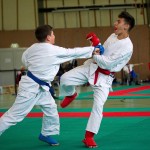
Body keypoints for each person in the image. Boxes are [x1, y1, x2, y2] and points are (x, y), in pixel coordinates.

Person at [0, 25, 98, 146]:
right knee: (14, 115)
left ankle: (46, 133)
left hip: (42, 88)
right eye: (53, 34)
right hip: (30, 88)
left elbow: (24, 60)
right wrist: (93, 49)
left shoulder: (31, 48)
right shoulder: (52, 50)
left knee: (51, 109)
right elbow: (72, 53)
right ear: (48, 37)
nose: (54, 36)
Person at [59, 11, 135, 148]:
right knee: (64, 79)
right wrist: (97, 44)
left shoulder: (127, 46)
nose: (115, 24)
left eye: (118, 21)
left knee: (98, 106)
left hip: (104, 77)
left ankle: (89, 136)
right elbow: (102, 51)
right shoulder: (113, 36)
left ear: (126, 26)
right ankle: (71, 94)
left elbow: (108, 63)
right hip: (92, 67)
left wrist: (94, 51)